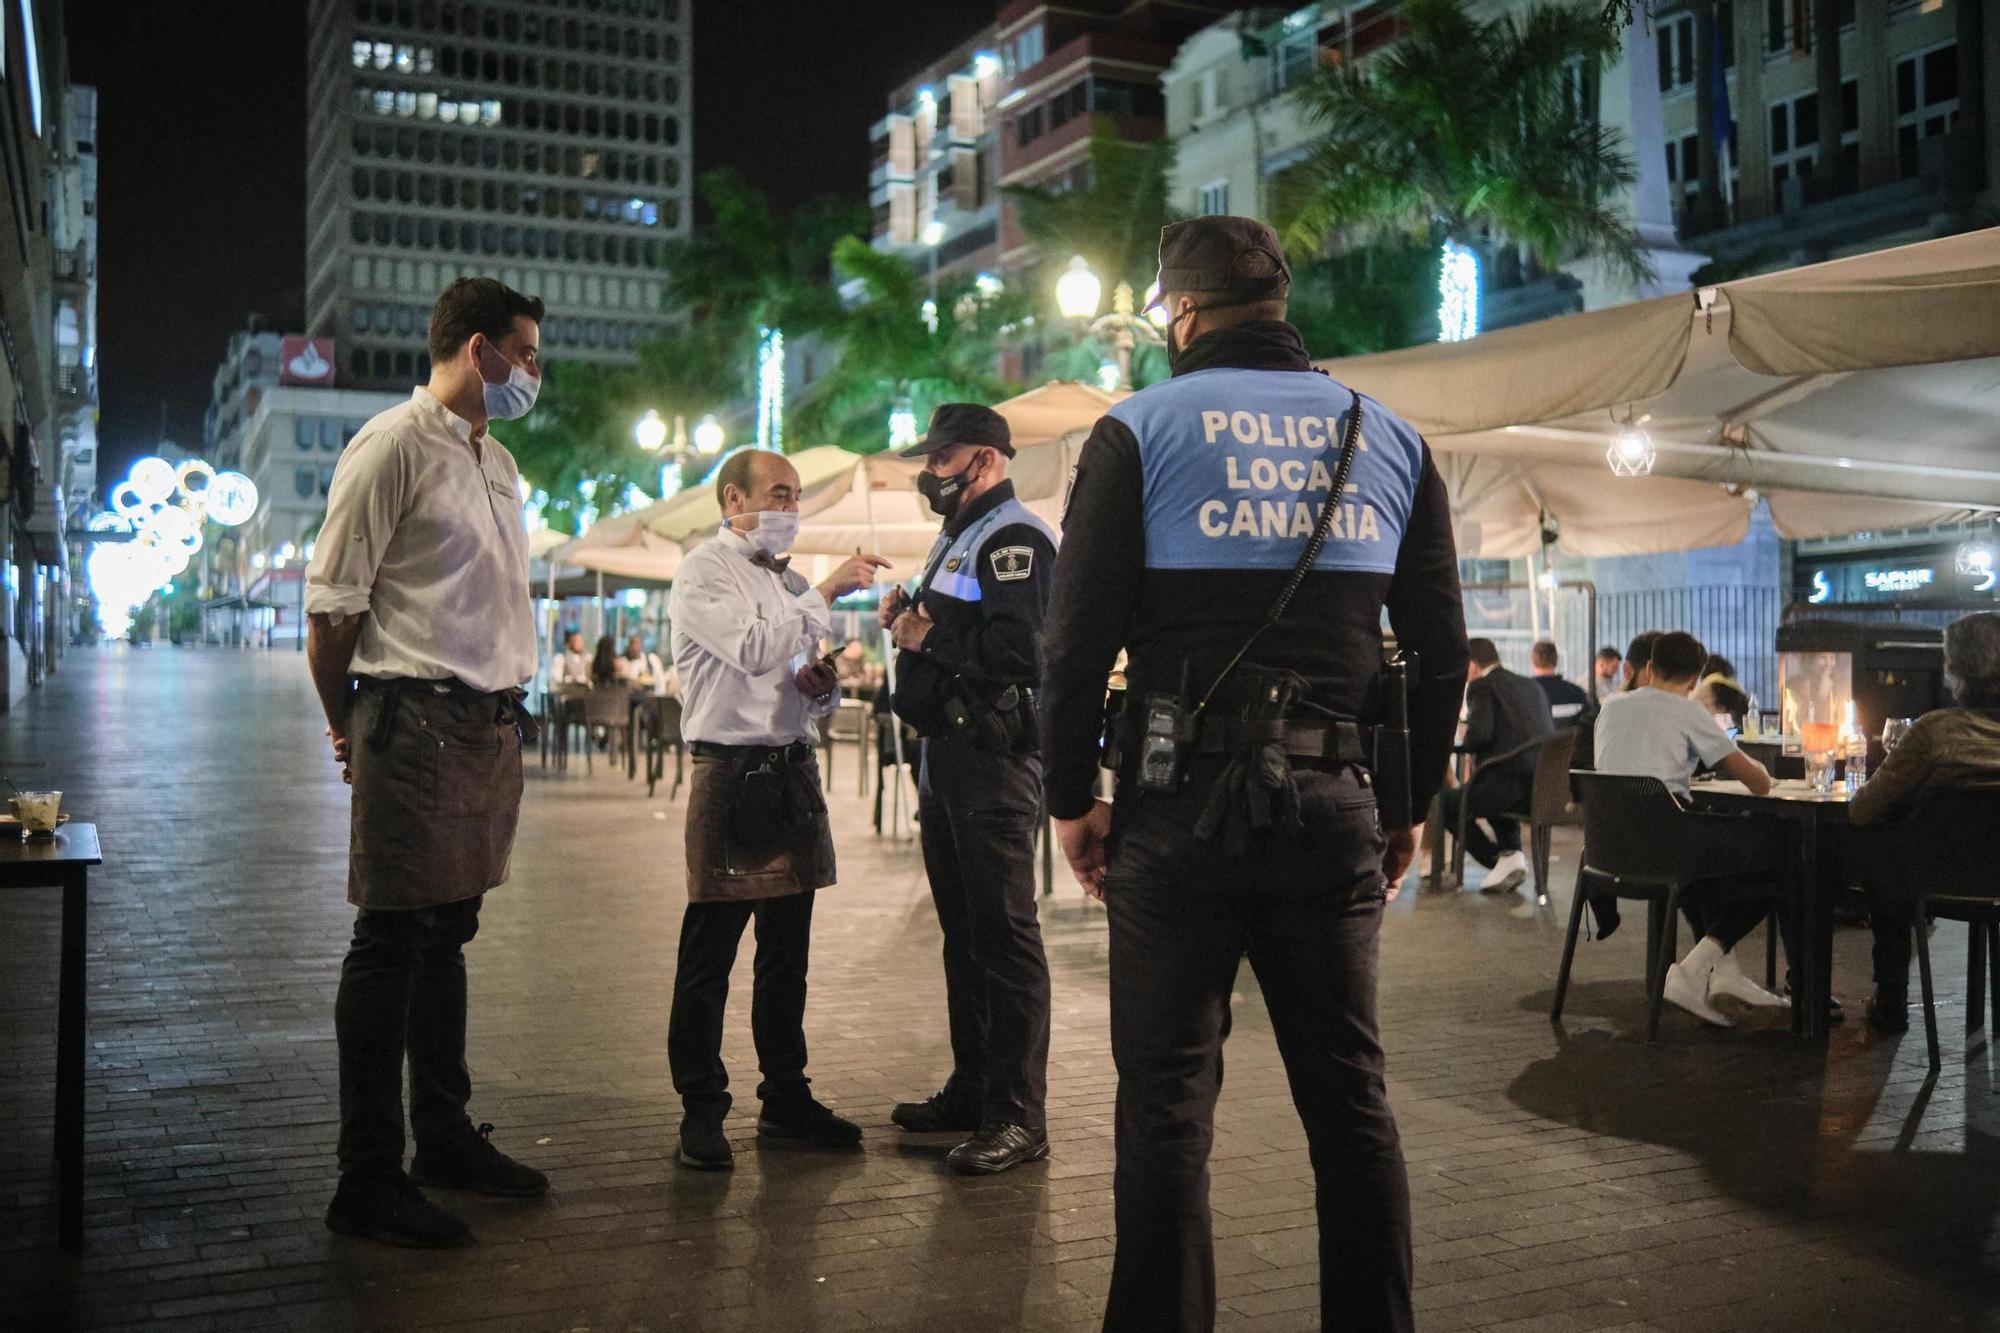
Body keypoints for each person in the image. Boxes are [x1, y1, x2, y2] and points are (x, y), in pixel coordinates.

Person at [1040, 215, 1468, 1333]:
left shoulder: (1132, 431)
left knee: (1167, 1111)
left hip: (1175, 813)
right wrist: (1406, 803)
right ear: (1278, 306)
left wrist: (1071, 802)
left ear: (1177, 314)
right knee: (1349, 1103)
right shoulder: (1390, 436)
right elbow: (1435, 647)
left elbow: (1073, 648)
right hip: (1333, 808)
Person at [303, 277, 549, 1249]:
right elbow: (330, 615)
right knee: (390, 940)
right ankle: (366, 1175)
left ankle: (442, 1137)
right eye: (527, 353)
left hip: (485, 724)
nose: (535, 371)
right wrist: (345, 727)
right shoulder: (391, 446)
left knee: (447, 932)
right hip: (413, 715)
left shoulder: (499, 459)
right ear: (479, 348)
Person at [664, 448, 890, 1171]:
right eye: (780, 494)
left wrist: (819, 685)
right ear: (734, 499)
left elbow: (797, 686)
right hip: (730, 773)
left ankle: (785, 1094)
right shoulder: (703, 570)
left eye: (797, 498)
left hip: (790, 770)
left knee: (787, 953)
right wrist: (825, 587)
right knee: (711, 952)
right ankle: (701, 1107)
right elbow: (755, 648)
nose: (791, 509)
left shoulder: (788, 582)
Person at [884, 403, 1058, 1175]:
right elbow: (960, 627)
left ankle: (1017, 1114)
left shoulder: (1015, 535)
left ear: (984, 460)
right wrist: (909, 619)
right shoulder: (960, 534)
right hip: (948, 756)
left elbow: (1023, 649)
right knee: (965, 933)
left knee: (1004, 934)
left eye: (943, 458)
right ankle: (975, 1085)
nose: (931, 472)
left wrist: (928, 636)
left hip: (991, 758)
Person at [1593, 630, 1791, 1027]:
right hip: (1667, 853)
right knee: (1781, 868)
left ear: (1649, 667)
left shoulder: (1610, 706)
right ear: (1695, 680)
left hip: (1608, 854)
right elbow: (1759, 784)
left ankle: (1725, 973)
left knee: (1706, 852)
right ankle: (1693, 971)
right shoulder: (1688, 711)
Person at [1848, 611, 2000, 1033]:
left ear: (1955, 671)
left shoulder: (1935, 733)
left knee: (1886, 861)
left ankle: (1891, 997)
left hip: (1936, 878)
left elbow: (1863, 810)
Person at [1440, 639, 1554, 893]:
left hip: (1507, 788)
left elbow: (1478, 737)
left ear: (1471, 664)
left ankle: (1498, 860)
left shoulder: (1481, 686)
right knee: (1493, 778)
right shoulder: (1531, 685)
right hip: (1544, 788)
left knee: (1446, 804)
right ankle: (1510, 855)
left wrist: (1464, 730)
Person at [1528, 640, 1591, 727]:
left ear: (1533, 661)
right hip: (1568, 740)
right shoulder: (1576, 693)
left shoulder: (1521, 693)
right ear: (1556, 661)